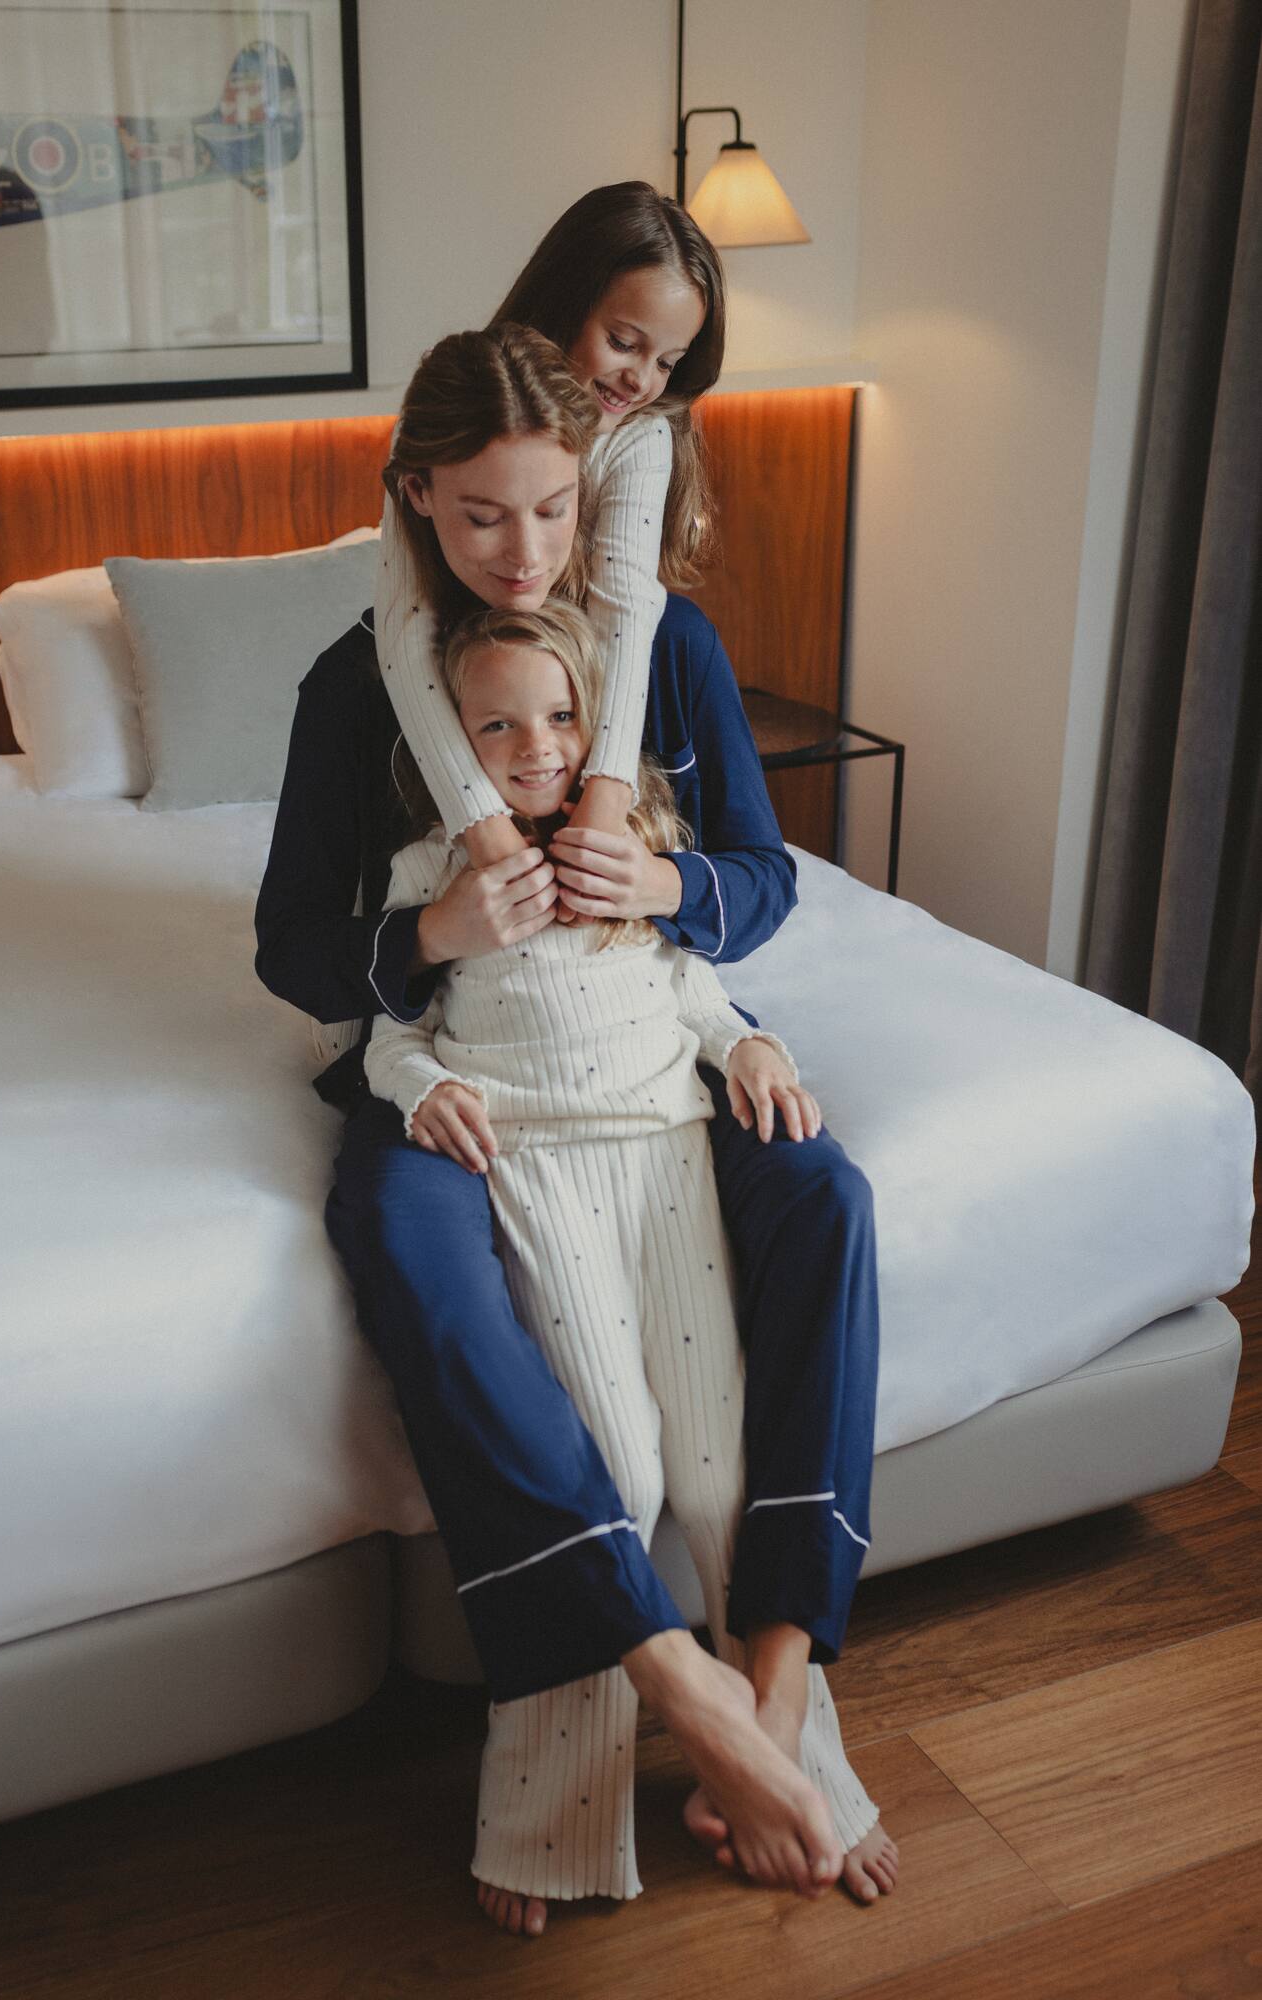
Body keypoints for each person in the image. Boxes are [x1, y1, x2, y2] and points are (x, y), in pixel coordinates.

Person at [253, 325, 891, 1937]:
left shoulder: (655, 651)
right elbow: (292, 949)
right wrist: (437, 942)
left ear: (590, 490)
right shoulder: (356, 686)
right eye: (477, 519)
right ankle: (639, 1726)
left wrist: (673, 898)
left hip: (648, 1052)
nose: (517, 555)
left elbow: (756, 877)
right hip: (465, 1063)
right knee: (409, 1242)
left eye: (545, 514)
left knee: (823, 1193)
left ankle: (778, 1695)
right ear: (416, 503)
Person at [365, 600, 879, 1916]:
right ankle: (551, 1824)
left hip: (669, 1151)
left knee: (715, 1481)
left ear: (599, 729)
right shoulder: (436, 866)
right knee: (621, 1474)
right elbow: (383, 1026)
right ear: (452, 740)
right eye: (496, 722)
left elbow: (690, 982)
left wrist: (748, 1042)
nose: (534, 746)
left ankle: (791, 1754)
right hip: (540, 1169)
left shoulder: (633, 840)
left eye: (559, 716)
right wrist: (423, 1084)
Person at [375, 181, 720, 878]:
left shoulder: (640, 437)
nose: (641, 381)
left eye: (667, 362)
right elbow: (407, 629)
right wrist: (484, 827)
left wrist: (604, 799)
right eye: (623, 342)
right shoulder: (443, 435)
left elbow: (624, 602)